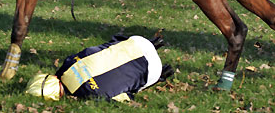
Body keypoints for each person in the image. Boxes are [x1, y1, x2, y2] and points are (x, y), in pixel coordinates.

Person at [26, 35, 173, 101]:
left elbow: (123, 97)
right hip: (137, 41)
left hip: (152, 71)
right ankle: (153, 44)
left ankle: (161, 75)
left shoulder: (87, 96)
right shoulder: (68, 64)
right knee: (105, 50)